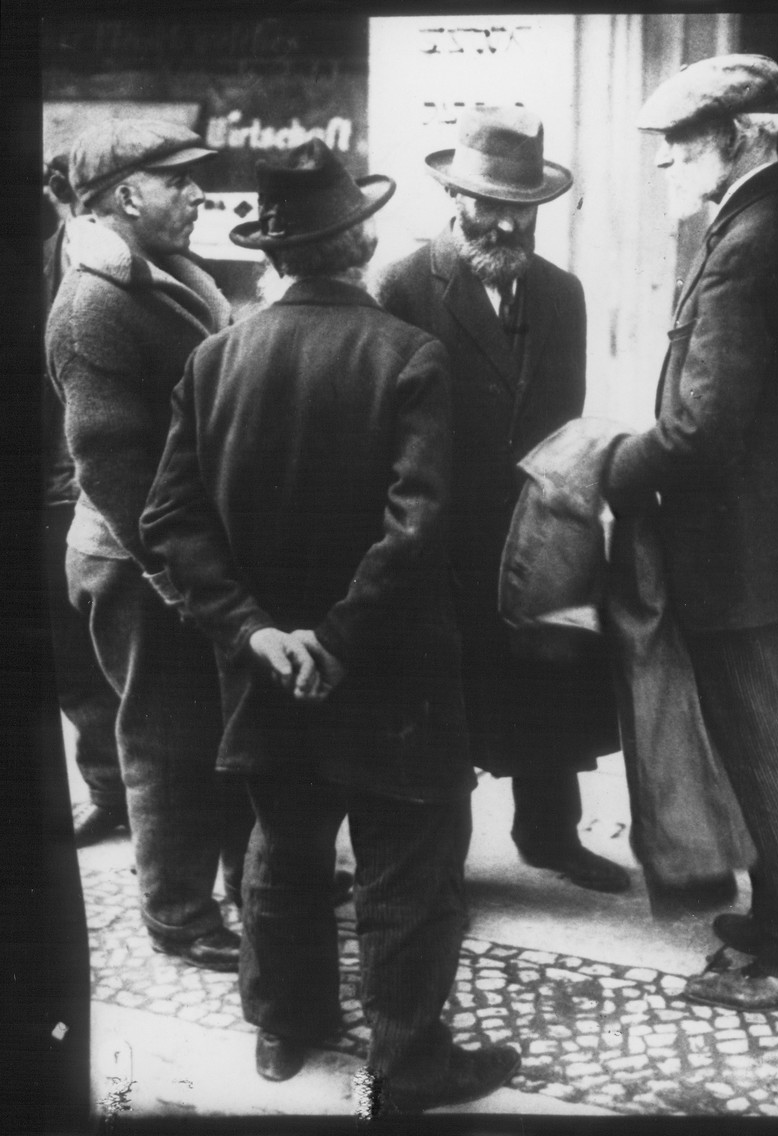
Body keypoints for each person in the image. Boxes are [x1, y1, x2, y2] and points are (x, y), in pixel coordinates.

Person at [141, 140, 519, 1111]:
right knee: (406, 862)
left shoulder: (214, 359)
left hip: (264, 672)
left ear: (274, 253)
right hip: (390, 672)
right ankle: (407, 1059)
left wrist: (262, 634)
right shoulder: (410, 355)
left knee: (282, 849)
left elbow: (168, 523)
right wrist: (342, 640)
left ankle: (284, 1024)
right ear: (362, 240)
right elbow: (417, 525)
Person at [599, 53, 778, 1012]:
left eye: (684, 146)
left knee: (762, 752)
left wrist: (605, 472)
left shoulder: (749, 240)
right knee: (764, 743)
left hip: (742, 555)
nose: (668, 165)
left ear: (746, 134)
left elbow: (701, 429)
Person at [373, 106, 628, 894]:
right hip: (443, 531)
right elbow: (385, 417)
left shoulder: (562, 293)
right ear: (456, 200)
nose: (507, 224)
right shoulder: (405, 284)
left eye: (522, 208)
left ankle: (550, 837)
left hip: (536, 530)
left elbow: (565, 415)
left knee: (547, 682)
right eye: (490, 205)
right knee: (448, 695)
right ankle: (437, 858)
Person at [46, 119, 251, 971]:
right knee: (166, 744)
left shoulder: (172, 277)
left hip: (189, 552)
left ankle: (249, 878)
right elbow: (114, 472)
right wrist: (184, 581)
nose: (199, 192)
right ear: (129, 195)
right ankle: (177, 913)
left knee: (223, 727)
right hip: (140, 565)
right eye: (181, 179)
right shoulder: (94, 304)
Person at [41, 153, 126, 847]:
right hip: (42, 502)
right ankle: (109, 790)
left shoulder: (153, 264)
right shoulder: (36, 266)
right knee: (70, 660)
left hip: (113, 497)